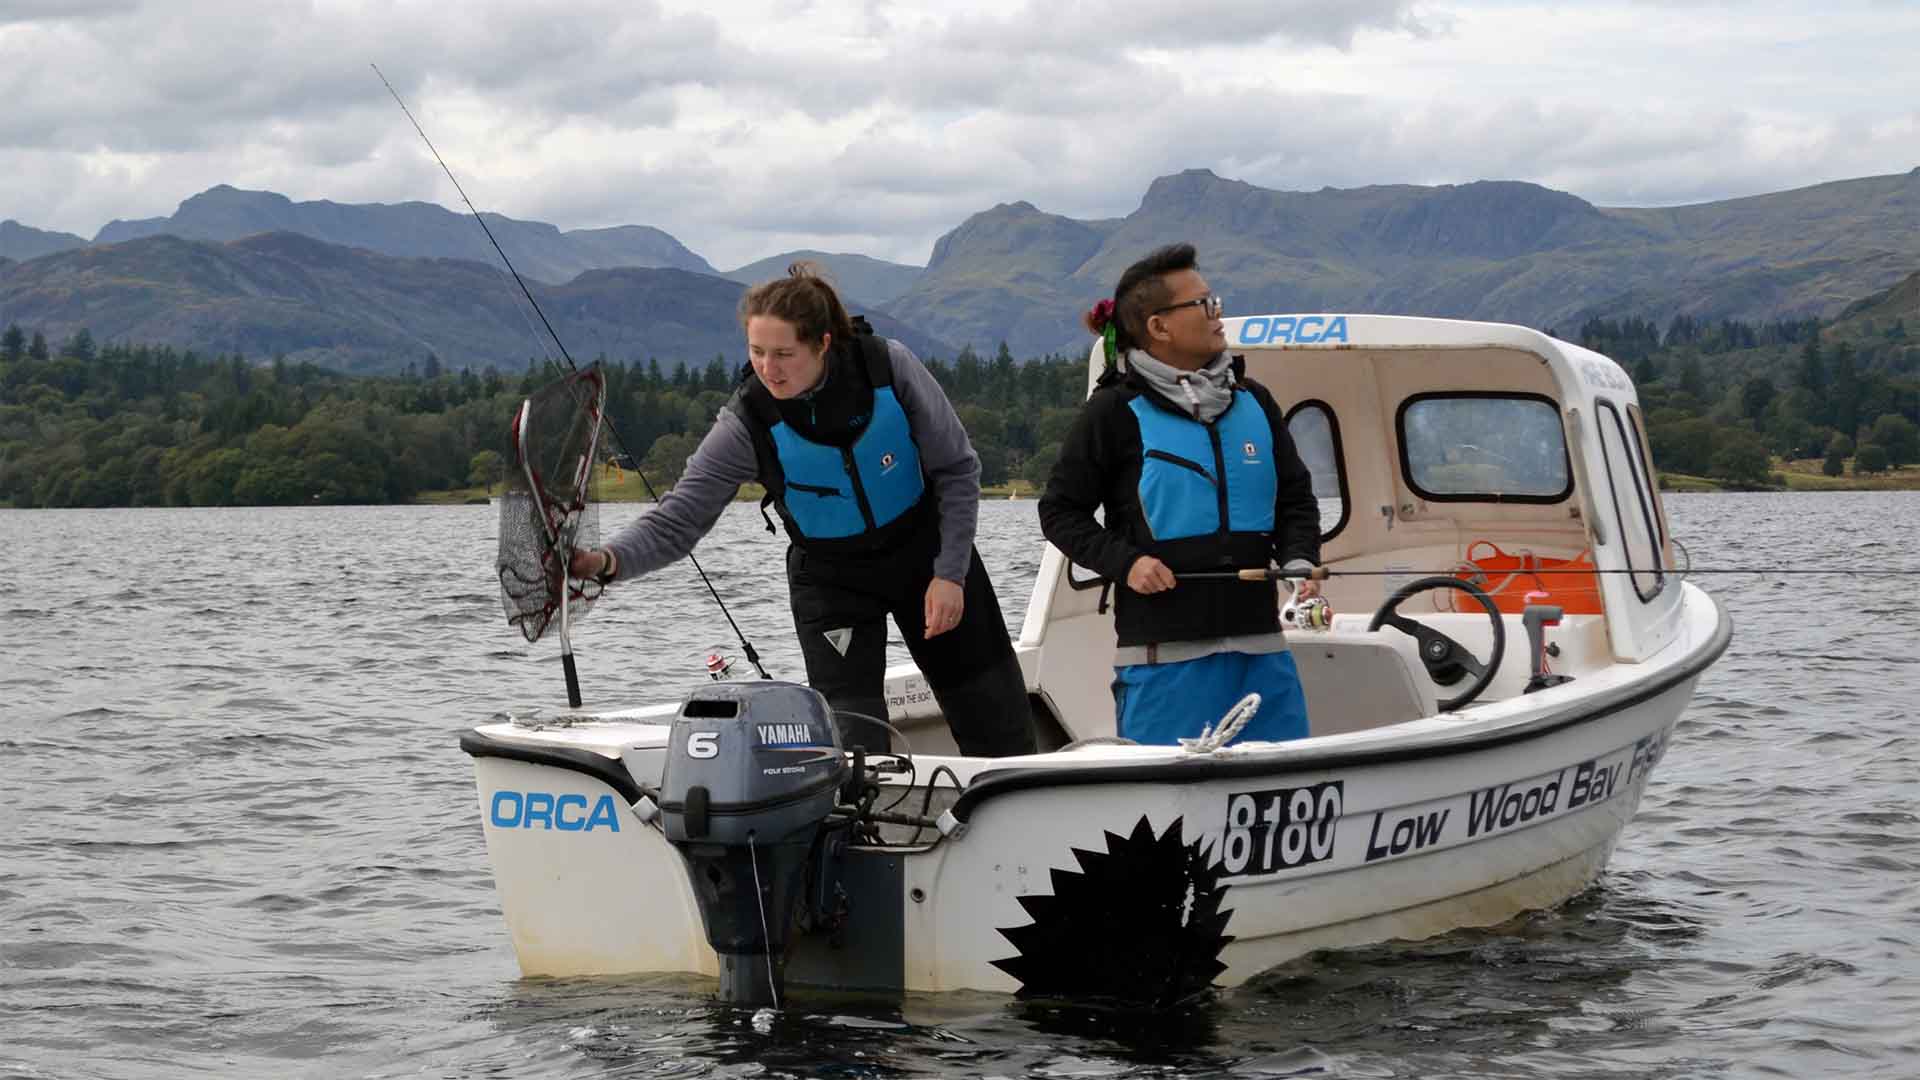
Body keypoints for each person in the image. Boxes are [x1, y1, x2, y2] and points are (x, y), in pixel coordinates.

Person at [571, 264, 1037, 757]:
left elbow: (958, 470)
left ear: (823, 344)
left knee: (999, 728)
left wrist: (950, 574)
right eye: (756, 352)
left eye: (783, 354)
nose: (768, 369)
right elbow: (678, 519)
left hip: (928, 555)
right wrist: (603, 563)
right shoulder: (747, 421)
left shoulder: (888, 368)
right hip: (832, 580)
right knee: (857, 755)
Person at [1038, 243, 1322, 746]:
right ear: (1158, 326)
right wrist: (1127, 564)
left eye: (1216, 301)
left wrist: (1300, 559)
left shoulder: (1255, 401)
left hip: (1264, 656)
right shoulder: (1112, 412)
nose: (1218, 315)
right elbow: (1060, 512)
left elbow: (1296, 499)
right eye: (1205, 305)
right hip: (1162, 667)